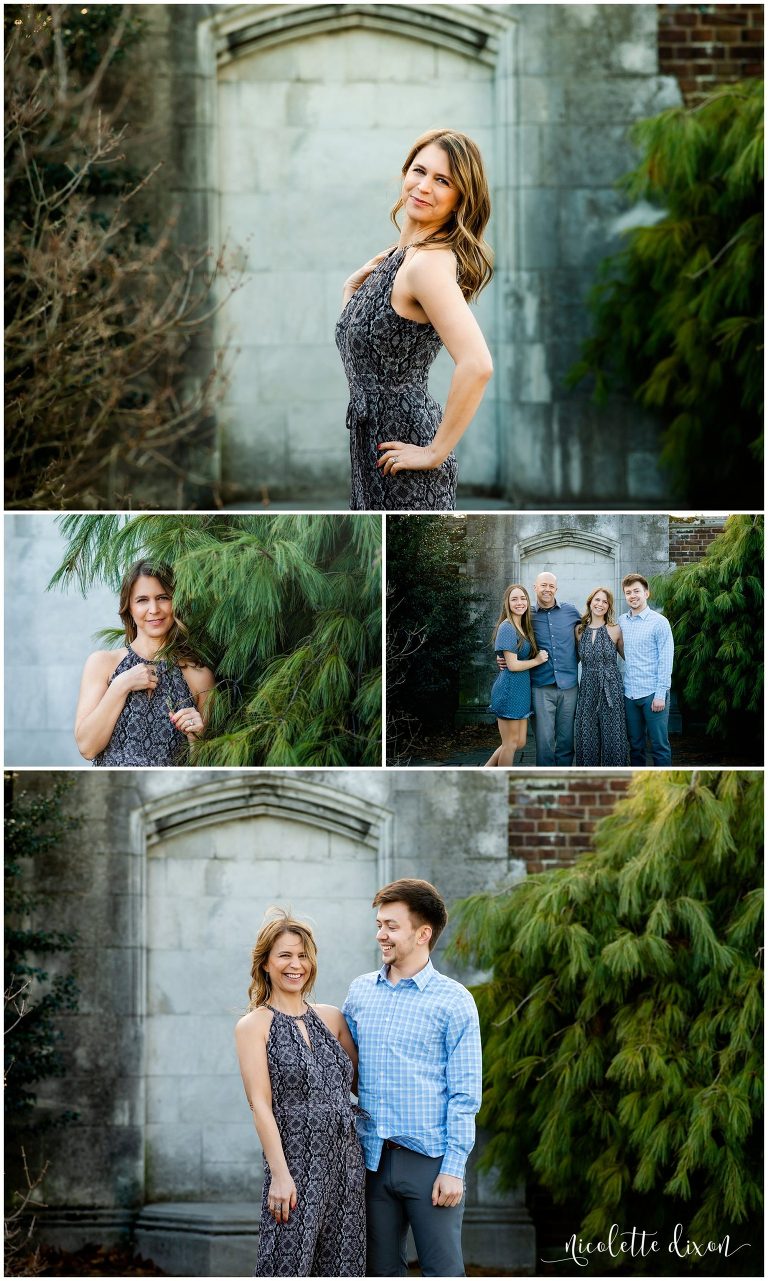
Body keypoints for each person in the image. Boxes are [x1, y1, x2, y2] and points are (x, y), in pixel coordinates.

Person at [336, 128, 494, 511]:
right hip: (375, 449)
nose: (424, 186)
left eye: (442, 180)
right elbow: (365, 355)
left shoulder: (428, 264)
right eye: (419, 171)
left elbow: (478, 365)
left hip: (404, 453)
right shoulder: (401, 255)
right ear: (405, 172)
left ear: (461, 199)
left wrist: (434, 452)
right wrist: (351, 294)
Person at [343, 879, 482, 1278]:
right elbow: (348, 1070)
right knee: (379, 1271)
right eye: (379, 924)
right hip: (371, 1159)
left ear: (423, 934)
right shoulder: (360, 993)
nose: (380, 935)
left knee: (443, 1270)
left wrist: (454, 1166)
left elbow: (465, 1092)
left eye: (391, 925)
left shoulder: (454, 1000)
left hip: (431, 1162)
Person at [235, 911, 365, 1278]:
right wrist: (280, 1174)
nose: (296, 965)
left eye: (303, 955)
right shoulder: (253, 1026)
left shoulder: (333, 1018)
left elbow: (362, 1085)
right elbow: (259, 1104)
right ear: (265, 963)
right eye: (285, 956)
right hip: (294, 1165)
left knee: (342, 1267)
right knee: (285, 1267)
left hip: (346, 1166)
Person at [74, 560, 214, 765]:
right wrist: (121, 686)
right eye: (142, 600)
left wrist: (196, 739)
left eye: (163, 598)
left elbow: (202, 768)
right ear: (129, 607)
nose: (154, 609)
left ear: (176, 601)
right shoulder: (103, 663)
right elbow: (87, 748)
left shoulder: (199, 675)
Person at [485, 584, 548, 767]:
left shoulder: (522, 626)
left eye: (523, 598)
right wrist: (536, 661)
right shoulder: (507, 627)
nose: (519, 602)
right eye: (514, 599)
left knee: (519, 742)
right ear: (507, 603)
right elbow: (512, 665)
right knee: (510, 744)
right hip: (509, 690)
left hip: (520, 691)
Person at [619, 573, 675, 766]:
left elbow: (666, 660)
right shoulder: (621, 621)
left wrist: (661, 693)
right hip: (629, 694)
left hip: (653, 694)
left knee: (660, 745)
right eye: (628, 592)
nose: (632, 596)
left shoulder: (659, 622)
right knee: (635, 745)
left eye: (636, 591)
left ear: (646, 593)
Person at [573, 586, 630, 766]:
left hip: (611, 687)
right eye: (597, 600)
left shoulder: (615, 630)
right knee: (587, 735)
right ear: (590, 603)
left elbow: (630, 657)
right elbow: (571, 658)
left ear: (609, 607)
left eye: (605, 602)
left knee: (613, 735)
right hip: (588, 687)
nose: (600, 604)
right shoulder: (579, 631)